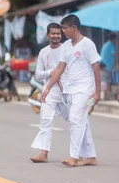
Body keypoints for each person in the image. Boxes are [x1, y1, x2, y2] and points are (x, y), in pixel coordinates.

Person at [30, 23, 94, 163]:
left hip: (67, 92)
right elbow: (38, 75)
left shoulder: (68, 48)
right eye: (53, 33)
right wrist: (50, 73)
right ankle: (43, 153)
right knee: (45, 120)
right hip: (50, 92)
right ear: (48, 35)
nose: (56, 36)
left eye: (58, 33)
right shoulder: (43, 52)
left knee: (76, 123)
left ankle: (85, 154)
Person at [42, 15, 100, 167]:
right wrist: (48, 88)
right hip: (69, 89)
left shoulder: (88, 44)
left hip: (85, 89)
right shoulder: (66, 46)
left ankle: (74, 156)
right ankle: (91, 157)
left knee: (75, 119)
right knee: (83, 122)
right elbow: (60, 68)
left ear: (73, 27)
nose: (63, 32)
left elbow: (96, 68)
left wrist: (98, 92)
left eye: (65, 28)